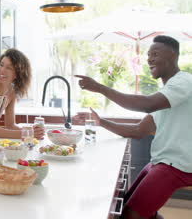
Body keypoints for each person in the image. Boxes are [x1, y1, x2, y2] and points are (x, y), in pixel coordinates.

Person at [75, 35, 192, 219]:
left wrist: (100, 88)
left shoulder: (183, 82)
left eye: (155, 53)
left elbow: (145, 104)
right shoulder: (167, 94)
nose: (149, 59)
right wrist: (101, 121)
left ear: (172, 55)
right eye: (148, 55)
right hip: (162, 162)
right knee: (126, 206)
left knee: (130, 214)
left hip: (179, 166)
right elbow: (138, 131)